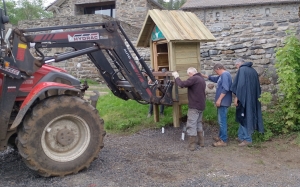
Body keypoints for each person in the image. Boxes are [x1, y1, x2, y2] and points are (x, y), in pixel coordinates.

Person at [230, 58, 264, 146]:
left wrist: (237, 97)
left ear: (238, 64)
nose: (236, 68)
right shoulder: (253, 70)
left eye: (236, 66)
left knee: (244, 116)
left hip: (244, 98)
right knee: (244, 116)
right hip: (252, 98)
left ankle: (247, 139)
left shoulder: (242, 70)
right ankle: (241, 136)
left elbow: (240, 85)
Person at [172, 67, 206, 151]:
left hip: (194, 106)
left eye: (189, 75)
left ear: (191, 73)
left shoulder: (194, 78)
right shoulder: (201, 79)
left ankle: (192, 145)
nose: (189, 77)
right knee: (198, 123)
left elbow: (182, 84)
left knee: (191, 125)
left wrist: (176, 76)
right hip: (201, 105)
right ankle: (201, 142)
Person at [202, 64, 232, 147]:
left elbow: (226, 88)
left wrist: (219, 99)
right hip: (222, 101)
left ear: (219, 68)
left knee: (222, 121)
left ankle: (223, 140)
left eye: (216, 71)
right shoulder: (222, 75)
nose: (216, 73)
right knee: (220, 120)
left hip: (223, 101)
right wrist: (204, 75)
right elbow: (215, 79)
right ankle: (221, 136)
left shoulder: (225, 75)